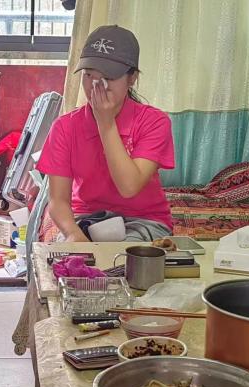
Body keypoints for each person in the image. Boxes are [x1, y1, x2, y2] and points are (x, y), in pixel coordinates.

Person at [37, 25, 176, 242]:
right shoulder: (65, 127)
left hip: (143, 220)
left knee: (126, 258)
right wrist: (73, 234)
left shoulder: (154, 122)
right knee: (70, 258)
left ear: (132, 78)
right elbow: (58, 200)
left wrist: (106, 124)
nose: (96, 86)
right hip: (86, 218)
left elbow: (129, 187)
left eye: (108, 78)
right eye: (89, 75)